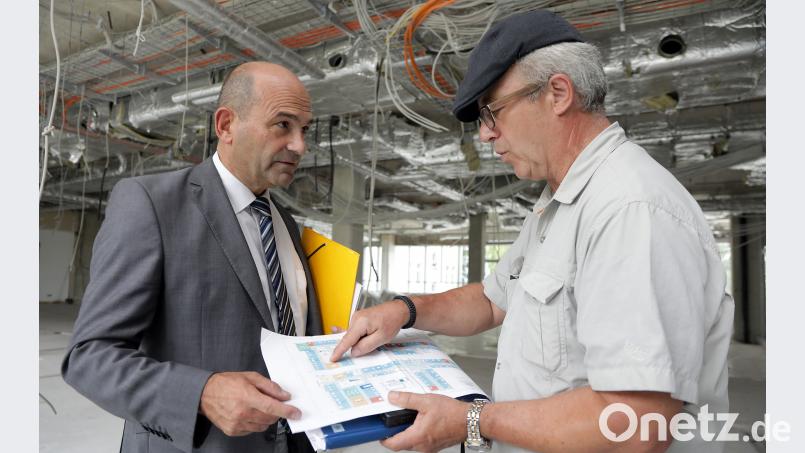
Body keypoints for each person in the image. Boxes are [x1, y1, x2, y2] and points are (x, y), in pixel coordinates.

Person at [331, 10, 734, 453]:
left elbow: (635, 424)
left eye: (492, 112)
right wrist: (405, 310)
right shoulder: (562, 201)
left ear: (558, 94)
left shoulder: (629, 210)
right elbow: (492, 301)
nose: (485, 135)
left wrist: (472, 421)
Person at [62, 61, 322, 453]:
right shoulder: (151, 204)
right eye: (283, 124)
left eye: (305, 130)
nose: (299, 145)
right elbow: (89, 357)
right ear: (226, 125)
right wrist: (202, 392)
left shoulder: (285, 224)